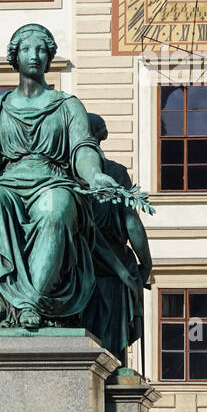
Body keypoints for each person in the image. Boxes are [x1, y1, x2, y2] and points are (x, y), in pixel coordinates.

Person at [0, 24, 127, 329]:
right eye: (26, 49)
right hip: (8, 182)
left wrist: (94, 176)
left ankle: (32, 301)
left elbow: (82, 148)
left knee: (56, 211)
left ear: (49, 56)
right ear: (15, 57)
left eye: (42, 49)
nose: (34, 55)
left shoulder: (68, 106)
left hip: (53, 181)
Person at [81, 113, 152, 365]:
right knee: (111, 350)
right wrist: (146, 264)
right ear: (102, 135)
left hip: (77, 271)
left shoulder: (63, 175)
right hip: (111, 270)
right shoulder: (115, 173)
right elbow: (131, 223)